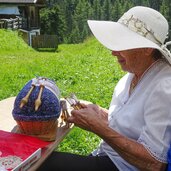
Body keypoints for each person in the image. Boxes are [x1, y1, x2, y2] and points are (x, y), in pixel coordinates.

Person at [37, 6, 171, 171]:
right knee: (41, 159)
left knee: (43, 164)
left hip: (123, 167)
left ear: (147, 49)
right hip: (109, 157)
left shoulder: (164, 87)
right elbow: (133, 123)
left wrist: (97, 126)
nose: (113, 52)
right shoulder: (134, 73)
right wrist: (101, 114)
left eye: (122, 44)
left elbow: (155, 163)